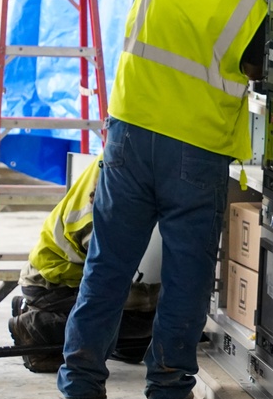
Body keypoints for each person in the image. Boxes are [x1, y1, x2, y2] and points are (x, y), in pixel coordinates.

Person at [57, 0, 267, 399]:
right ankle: (169, 389)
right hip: (194, 156)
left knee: (107, 262)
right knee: (187, 275)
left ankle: (81, 380)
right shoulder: (250, 11)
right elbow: (260, 71)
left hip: (129, 141)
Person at [8, 156, 159, 373]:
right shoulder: (100, 219)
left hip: (51, 277)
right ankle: (36, 326)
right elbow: (105, 286)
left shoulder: (118, 160)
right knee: (141, 317)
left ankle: (36, 309)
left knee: (138, 334)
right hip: (53, 284)